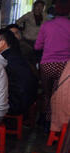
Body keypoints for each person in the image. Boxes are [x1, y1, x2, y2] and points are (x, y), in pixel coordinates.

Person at [34, 0, 70, 131]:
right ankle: (54, 124)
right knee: (59, 95)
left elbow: (37, 46)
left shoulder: (46, 25)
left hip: (47, 65)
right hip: (65, 67)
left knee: (46, 94)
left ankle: (44, 121)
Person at [0, 29, 38, 116]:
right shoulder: (14, 55)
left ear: (2, 42)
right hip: (27, 99)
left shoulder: (4, 59)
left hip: (16, 102)